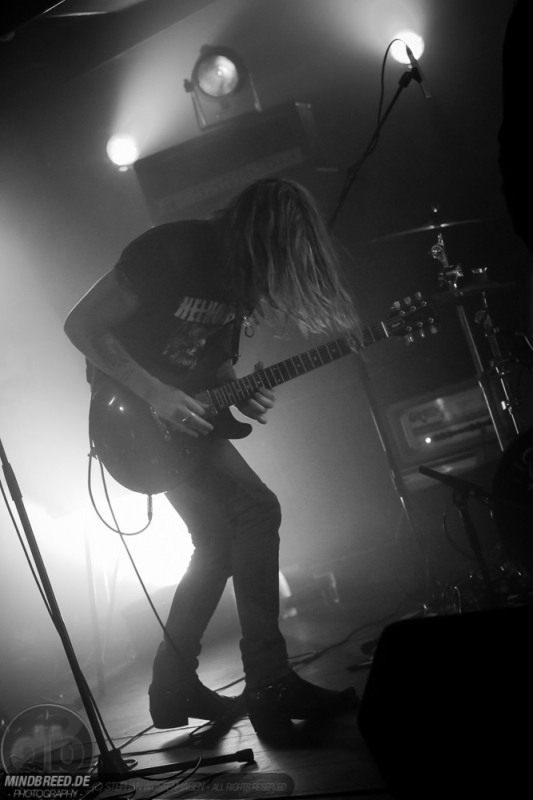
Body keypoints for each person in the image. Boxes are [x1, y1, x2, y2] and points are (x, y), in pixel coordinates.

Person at [64, 177, 361, 736]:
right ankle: (270, 683)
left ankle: (172, 685)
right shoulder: (173, 249)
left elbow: (213, 360)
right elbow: (81, 325)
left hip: (182, 421)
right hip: (132, 418)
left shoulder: (239, 282)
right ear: (259, 234)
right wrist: (156, 394)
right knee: (257, 510)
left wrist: (236, 387)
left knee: (217, 543)